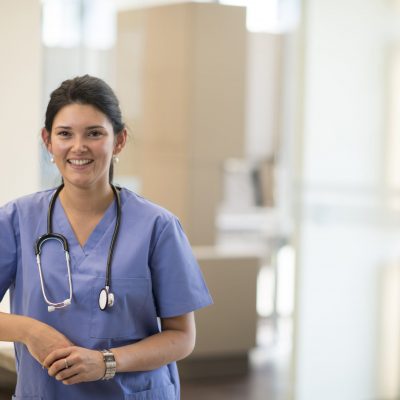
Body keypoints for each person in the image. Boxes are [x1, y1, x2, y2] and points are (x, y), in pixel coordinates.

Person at [0, 75, 213, 399]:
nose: (78, 147)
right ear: (47, 141)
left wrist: (105, 363)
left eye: (95, 133)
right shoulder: (17, 220)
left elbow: (181, 337)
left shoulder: (157, 226)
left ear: (120, 140)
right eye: (65, 134)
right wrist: (31, 331)